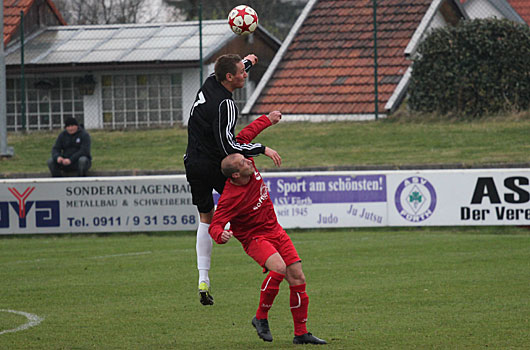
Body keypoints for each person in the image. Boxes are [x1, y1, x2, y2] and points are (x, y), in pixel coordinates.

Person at [208, 116, 327, 345]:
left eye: (247, 159)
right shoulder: (230, 197)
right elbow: (215, 225)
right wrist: (220, 236)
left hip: (275, 230)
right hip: (254, 238)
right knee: (279, 269)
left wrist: (268, 120)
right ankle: (260, 317)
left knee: (298, 277)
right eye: (243, 163)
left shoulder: (247, 164)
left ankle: (301, 333)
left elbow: (245, 136)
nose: (250, 162)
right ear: (235, 175)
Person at [184, 53, 282, 306]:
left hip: (193, 163)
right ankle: (268, 256)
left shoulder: (209, 82)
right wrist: (262, 149)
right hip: (217, 165)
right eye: (242, 72)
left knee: (205, 217)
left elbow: (228, 70)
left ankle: (203, 278)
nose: (245, 74)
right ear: (229, 77)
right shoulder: (225, 105)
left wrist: (248, 60)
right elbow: (229, 144)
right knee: (247, 207)